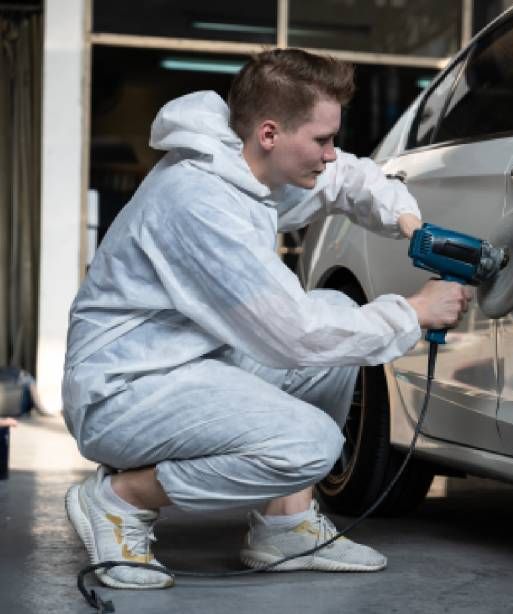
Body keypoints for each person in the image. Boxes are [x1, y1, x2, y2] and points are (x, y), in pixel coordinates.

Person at [62, 49, 470, 590]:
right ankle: (119, 500)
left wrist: (405, 218)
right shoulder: (201, 201)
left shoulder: (250, 167)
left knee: (339, 312)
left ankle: (285, 524)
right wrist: (415, 312)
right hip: (124, 391)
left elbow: (347, 177)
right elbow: (295, 337)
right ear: (271, 133)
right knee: (312, 443)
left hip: (184, 364)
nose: (330, 153)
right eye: (321, 140)